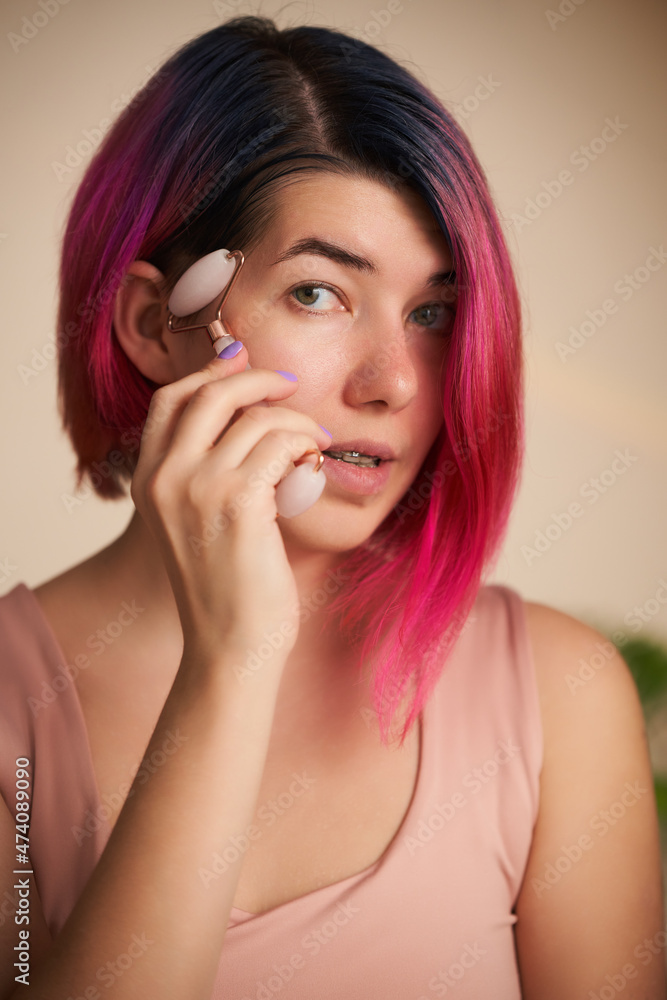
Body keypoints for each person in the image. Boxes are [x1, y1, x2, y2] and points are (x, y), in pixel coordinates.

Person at [0, 14, 663, 1000]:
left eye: (432, 313)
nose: (395, 382)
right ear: (154, 324)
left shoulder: (561, 696)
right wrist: (232, 663)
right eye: (318, 293)